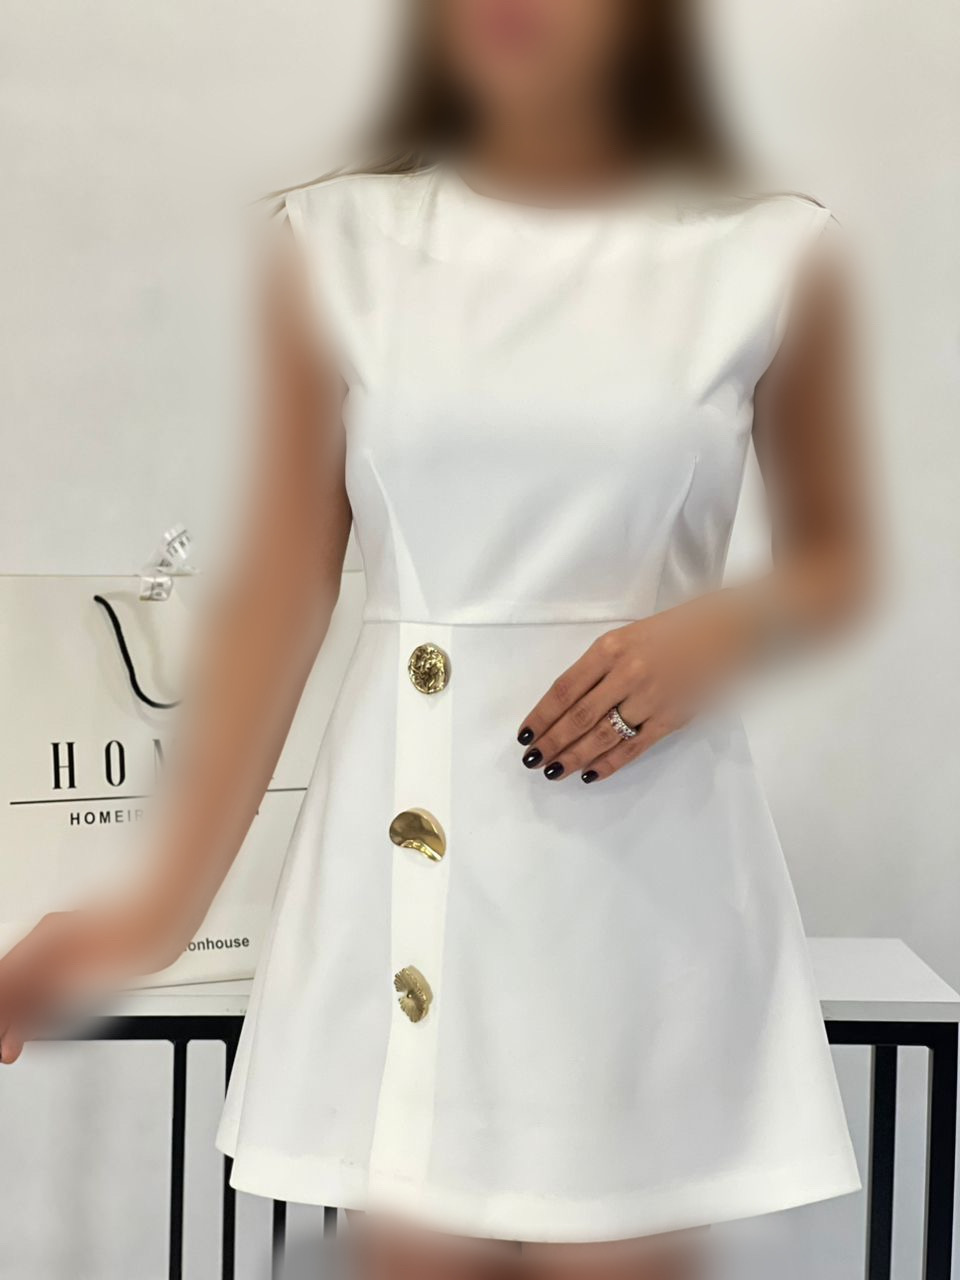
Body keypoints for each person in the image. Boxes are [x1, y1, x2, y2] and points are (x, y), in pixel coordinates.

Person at [0, 2, 872, 1276]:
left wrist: (722, 628)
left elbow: (839, 559)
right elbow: (285, 592)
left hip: (650, 877)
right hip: (410, 865)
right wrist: (157, 910)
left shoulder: (771, 255)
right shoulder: (332, 245)